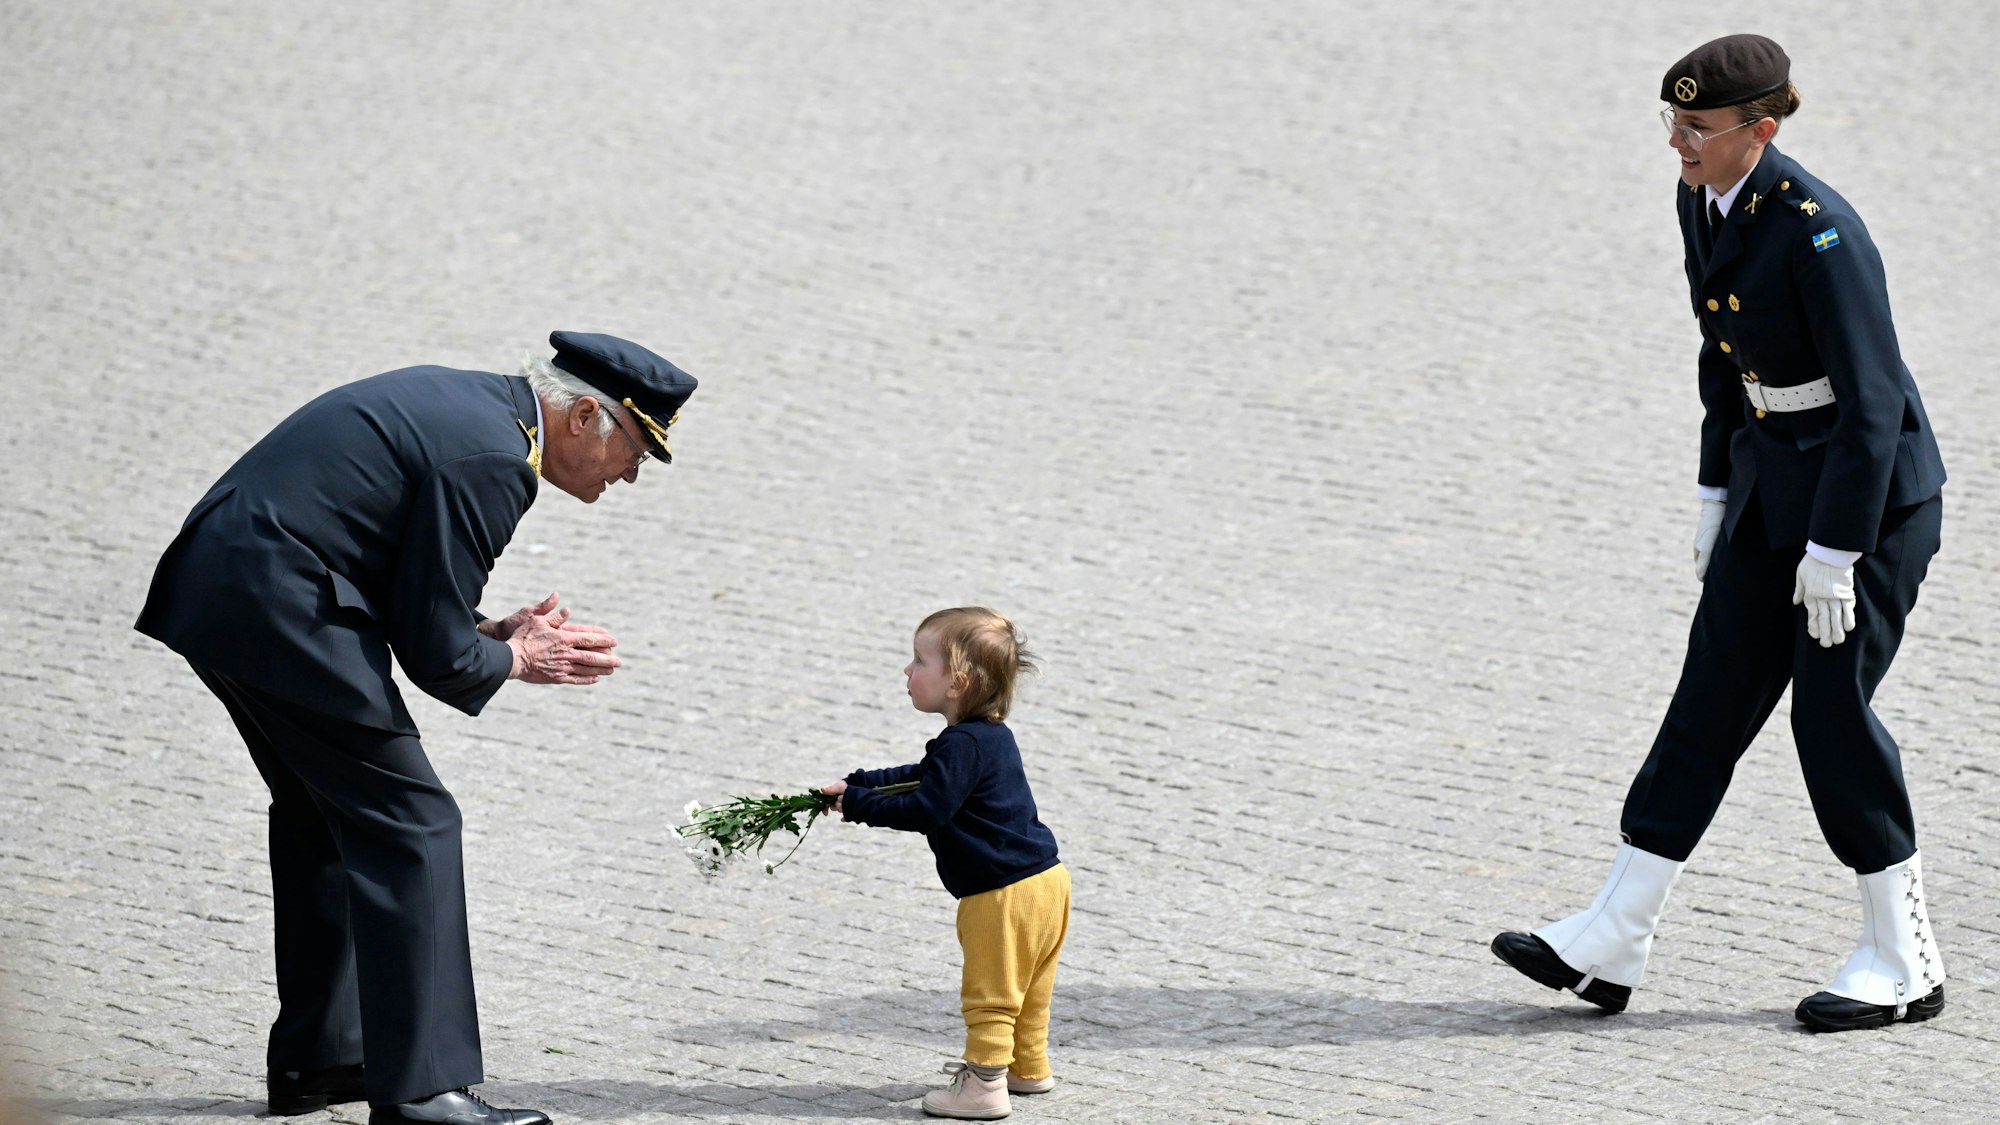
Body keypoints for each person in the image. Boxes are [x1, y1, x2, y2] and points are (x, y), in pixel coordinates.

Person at [1491, 34, 1949, 1033]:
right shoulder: (1702, 200)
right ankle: (1615, 931)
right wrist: (1711, 492)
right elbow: (1723, 352)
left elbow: (1871, 408)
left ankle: (1902, 956)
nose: (1676, 143)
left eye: (1696, 128)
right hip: (1766, 485)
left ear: (1762, 129)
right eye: (1671, 122)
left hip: (1863, 506)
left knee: (1827, 716)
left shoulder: (1818, 232)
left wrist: (1834, 555)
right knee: (1704, 703)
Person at [135, 332, 698, 1122]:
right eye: (635, 450)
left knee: (326, 815)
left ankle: (323, 1057)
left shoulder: (478, 412)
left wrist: (488, 633)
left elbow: (414, 592)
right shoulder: (497, 461)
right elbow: (437, 655)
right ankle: (425, 1090)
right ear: (582, 419)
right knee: (415, 822)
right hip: (283, 603)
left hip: (230, 583)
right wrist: (517, 660)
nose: (631, 475)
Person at [822, 608, 1067, 1120]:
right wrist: (861, 782)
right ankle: (1028, 1068)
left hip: (1000, 894)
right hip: (1046, 882)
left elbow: (928, 806)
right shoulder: (989, 736)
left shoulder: (963, 744)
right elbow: (927, 776)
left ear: (955, 682)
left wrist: (858, 807)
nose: (907, 672)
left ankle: (982, 1085)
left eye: (918, 661)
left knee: (992, 993)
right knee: (1030, 987)